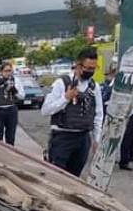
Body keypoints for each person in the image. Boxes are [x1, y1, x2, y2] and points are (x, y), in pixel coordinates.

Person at [41, 48, 104, 176]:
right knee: (56, 177)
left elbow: (98, 114)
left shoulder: (94, 87)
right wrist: (66, 98)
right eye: (88, 68)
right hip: (62, 137)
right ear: (78, 65)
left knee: (75, 178)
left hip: (83, 138)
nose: (90, 71)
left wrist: (97, 139)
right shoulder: (61, 83)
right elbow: (45, 110)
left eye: (94, 68)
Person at [0, 63, 25, 146]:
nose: (8, 73)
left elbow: (22, 96)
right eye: (5, 71)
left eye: (9, 71)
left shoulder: (16, 81)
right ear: (1, 72)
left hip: (11, 110)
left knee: (10, 136)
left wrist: (14, 90)